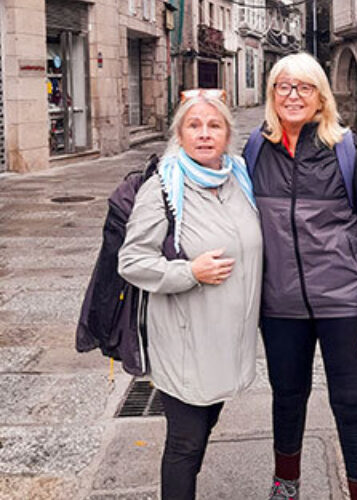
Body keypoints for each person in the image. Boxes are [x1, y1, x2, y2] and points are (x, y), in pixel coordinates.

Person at [245, 53, 357, 500]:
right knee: (287, 399)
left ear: (320, 97)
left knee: (350, 406)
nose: (293, 96)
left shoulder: (346, 150)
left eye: (304, 87)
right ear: (272, 95)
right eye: (284, 87)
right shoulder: (255, 150)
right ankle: (285, 485)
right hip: (280, 307)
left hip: (343, 305)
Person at [118, 89, 262, 500]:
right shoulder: (163, 186)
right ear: (179, 135)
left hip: (227, 341)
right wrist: (189, 272)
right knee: (185, 443)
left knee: (203, 429)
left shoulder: (239, 178)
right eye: (193, 126)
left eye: (214, 125)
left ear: (227, 134)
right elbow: (131, 261)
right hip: (183, 340)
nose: (204, 134)